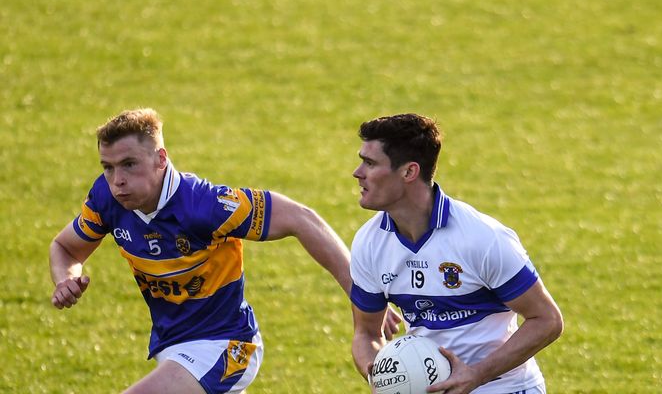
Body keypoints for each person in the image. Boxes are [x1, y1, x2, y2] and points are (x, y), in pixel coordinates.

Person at [49, 108, 399, 394]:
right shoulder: (107, 199)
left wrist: (362, 297)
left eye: (129, 164)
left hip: (228, 346)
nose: (117, 180)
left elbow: (301, 218)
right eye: (108, 167)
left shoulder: (205, 205)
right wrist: (65, 279)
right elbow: (65, 247)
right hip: (173, 348)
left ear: (160, 159)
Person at [349, 113, 563, 394]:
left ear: (409, 172)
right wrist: (382, 376)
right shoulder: (369, 242)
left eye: (370, 163)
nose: (357, 172)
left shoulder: (482, 238)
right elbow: (366, 333)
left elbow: (547, 320)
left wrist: (476, 375)